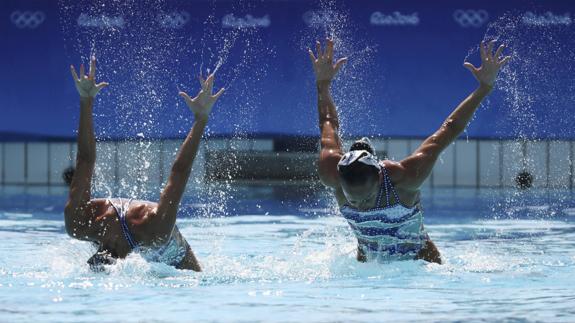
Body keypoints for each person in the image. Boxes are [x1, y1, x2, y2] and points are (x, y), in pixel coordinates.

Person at [309, 39, 510, 263]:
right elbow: (327, 123)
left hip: (421, 260)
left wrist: (484, 88)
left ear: (379, 177)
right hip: (368, 264)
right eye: (353, 201)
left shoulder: (406, 178)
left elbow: (448, 130)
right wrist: (323, 83)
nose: (361, 207)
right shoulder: (331, 172)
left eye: (365, 199)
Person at [65, 56, 224, 271]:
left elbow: (180, 172)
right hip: (145, 237)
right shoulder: (80, 224)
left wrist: (201, 118)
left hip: (171, 252)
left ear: (121, 263)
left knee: (194, 277)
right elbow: (84, 160)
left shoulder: (154, 230)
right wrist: (86, 100)